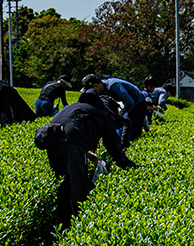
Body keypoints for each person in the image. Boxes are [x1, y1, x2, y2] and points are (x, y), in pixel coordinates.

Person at [35, 78, 137, 222]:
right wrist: (129, 166)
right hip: (70, 141)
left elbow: (66, 130)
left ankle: (60, 220)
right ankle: (77, 223)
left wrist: (86, 153)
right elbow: (114, 148)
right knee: (78, 184)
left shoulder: (77, 107)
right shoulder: (101, 114)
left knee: (64, 180)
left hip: (51, 140)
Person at [101, 77, 152, 144]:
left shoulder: (113, 85)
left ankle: (134, 149)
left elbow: (130, 102)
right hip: (132, 106)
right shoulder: (105, 87)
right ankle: (123, 148)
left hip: (138, 104)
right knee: (125, 134)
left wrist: (122, 111)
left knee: (133, 134)